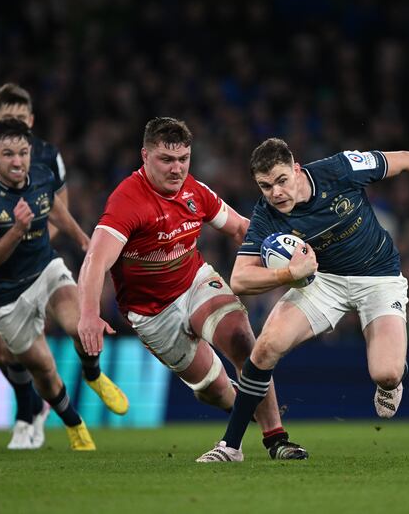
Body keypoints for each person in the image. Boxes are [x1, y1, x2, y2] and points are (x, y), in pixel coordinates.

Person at [196, 137, 409, 462]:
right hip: (324, 280)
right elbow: (239, 278)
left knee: (386, 372)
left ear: (296, 169)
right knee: (265, 347)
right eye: (265, 186)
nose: (276, 193)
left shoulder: (340, 170)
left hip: (379, 278)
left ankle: (391, 381)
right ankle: (230, 446)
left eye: (281, 180)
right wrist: (288, 274)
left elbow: (402, 158)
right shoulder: (266, 214)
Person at [77, 117, 307, 461]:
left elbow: (240, 228)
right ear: (145, 156)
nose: (176, 168)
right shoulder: (127, 201)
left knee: (242, 340)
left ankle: (275, 439)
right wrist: (88, 315)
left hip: (195, 282)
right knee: (213, 392)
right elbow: (95, 260)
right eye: (166, 160)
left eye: (183, 159)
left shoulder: (195, 191)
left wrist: (290, 250)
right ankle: (252, 408)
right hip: (153, 314)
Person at [0, 83, 127, 449]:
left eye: (22, 150)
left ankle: (93, 376)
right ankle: (66, 419)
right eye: (8, 151)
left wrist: (83, 239)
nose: (17, 159)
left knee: (80, 324)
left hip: (43, 266)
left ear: (30, 132)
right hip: (2, 289)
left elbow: (55, 207)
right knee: (36, 366)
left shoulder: (44, 165)